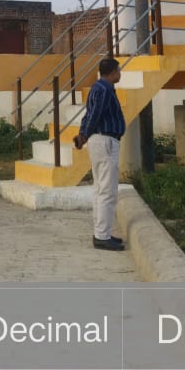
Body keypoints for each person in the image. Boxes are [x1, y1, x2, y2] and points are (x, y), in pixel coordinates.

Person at [73, 57, 126, 251]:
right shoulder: (104, 89)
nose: (120, 74)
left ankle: (101, 233)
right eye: (118, 71)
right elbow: (95, 115)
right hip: (105, 142)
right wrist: (85, 134)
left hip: (99, 141)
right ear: (112, 72)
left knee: (100, 189)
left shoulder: (97, 88)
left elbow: (88, 114)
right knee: (107, 191)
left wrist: (83, 134)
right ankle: (102, 236)